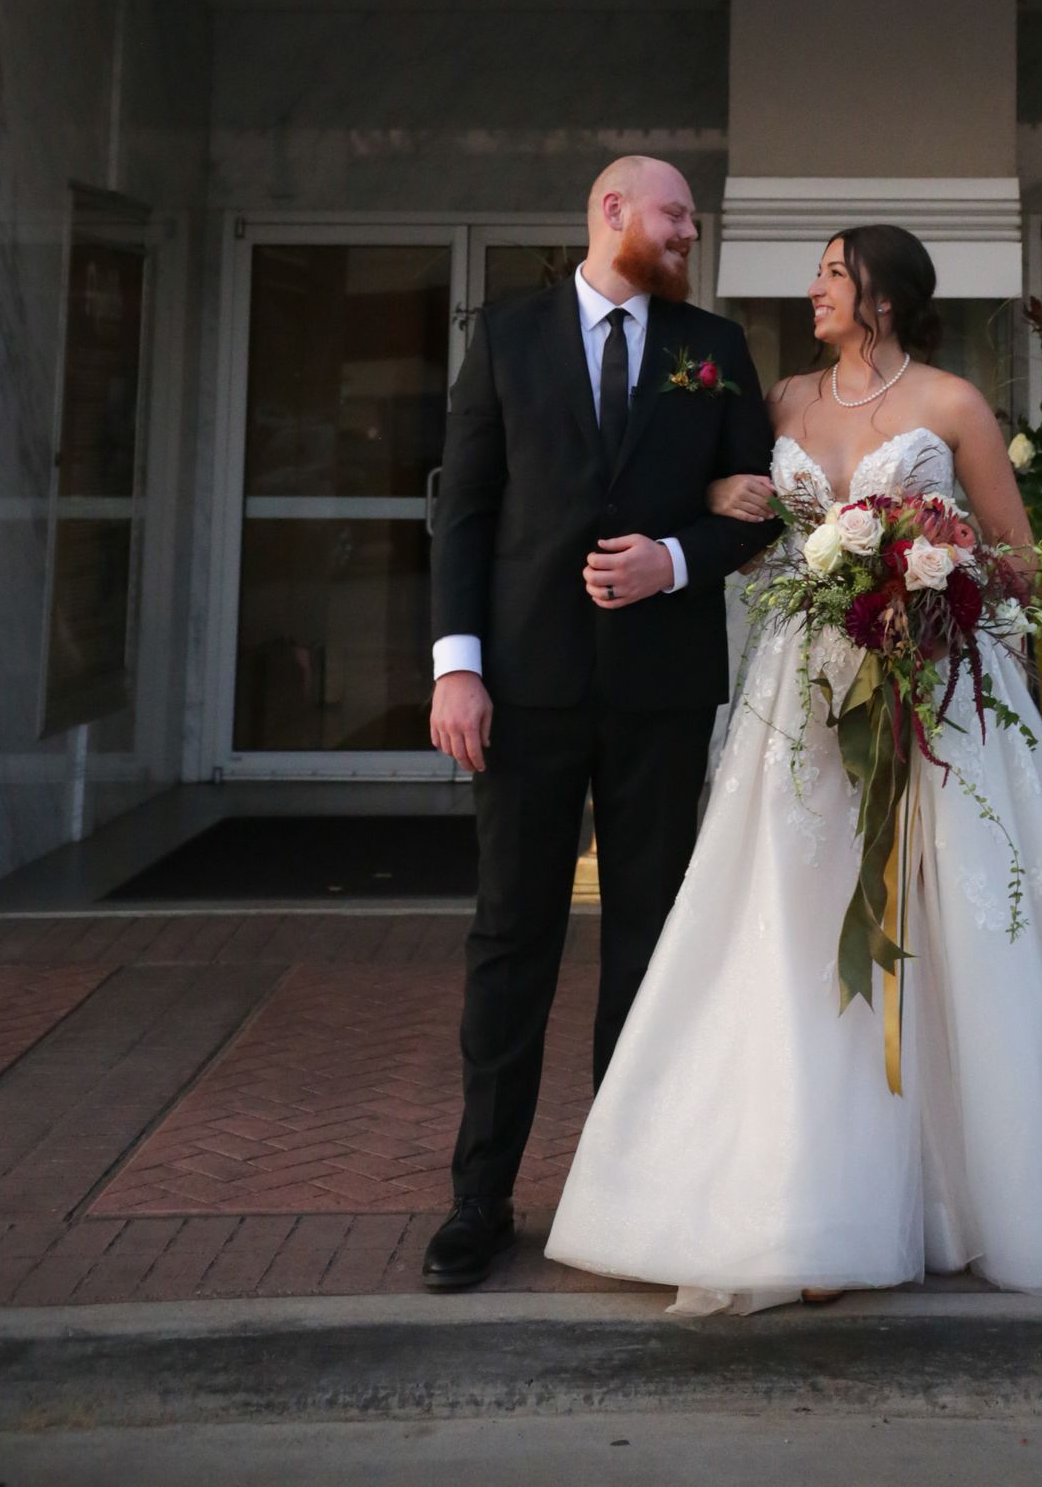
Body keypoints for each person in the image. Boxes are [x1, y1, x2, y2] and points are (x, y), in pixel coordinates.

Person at [547, 222, 1042, 1307]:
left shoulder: (952, 406)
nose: (812, 290)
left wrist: (926, 581)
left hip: (934, 695)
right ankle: (801, 1191)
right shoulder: (782, 404)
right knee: (791, 921)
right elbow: (749, 518)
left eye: (831, 275)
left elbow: (1021, 562)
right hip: (800, 701)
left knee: (949, 923)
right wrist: (717, 504)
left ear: (883, 299)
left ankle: (961, 1176)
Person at [422, 154, 774, 1291]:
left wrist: (675, 557)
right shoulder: (511, 336)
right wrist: (455, 669)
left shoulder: (714, 348)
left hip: (662, 697)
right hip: (520, 694)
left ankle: (630, 1194)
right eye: (675, 215)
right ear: (612, 212)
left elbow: (757, 502)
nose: (689, 232)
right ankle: (481, 1199)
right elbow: (465, 510)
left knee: (648, 941)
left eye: (693, 220)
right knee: (511, 940)